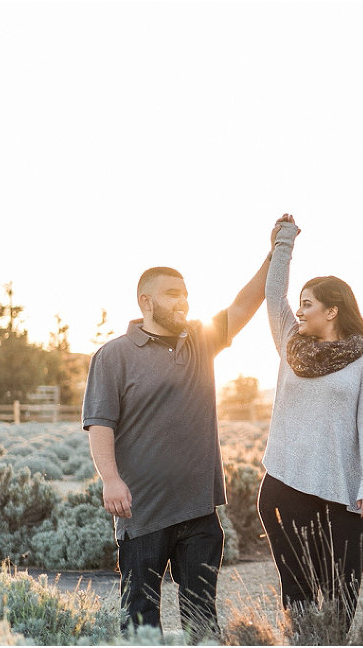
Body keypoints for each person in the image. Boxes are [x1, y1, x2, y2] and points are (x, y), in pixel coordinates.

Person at [82, 243, 273, 641]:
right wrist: (110, 479)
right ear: (146, 300)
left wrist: (275, 254)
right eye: (173, 293)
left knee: (202, 618)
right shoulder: (114, 355)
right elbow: (100, 424)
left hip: (200, 511)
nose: (184, 301)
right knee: (140, 619)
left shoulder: (201, 342)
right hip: (142, 512)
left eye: (186, 293)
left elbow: (244, 304)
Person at [258, 213, 363, 632]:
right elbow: (272, 295)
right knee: (296, 592)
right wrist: (283, 244)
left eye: (308, 303)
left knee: (339, 596)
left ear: (332, 310)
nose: (298, 310)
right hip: (285, 484)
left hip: (344, 494)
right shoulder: (291, 343)